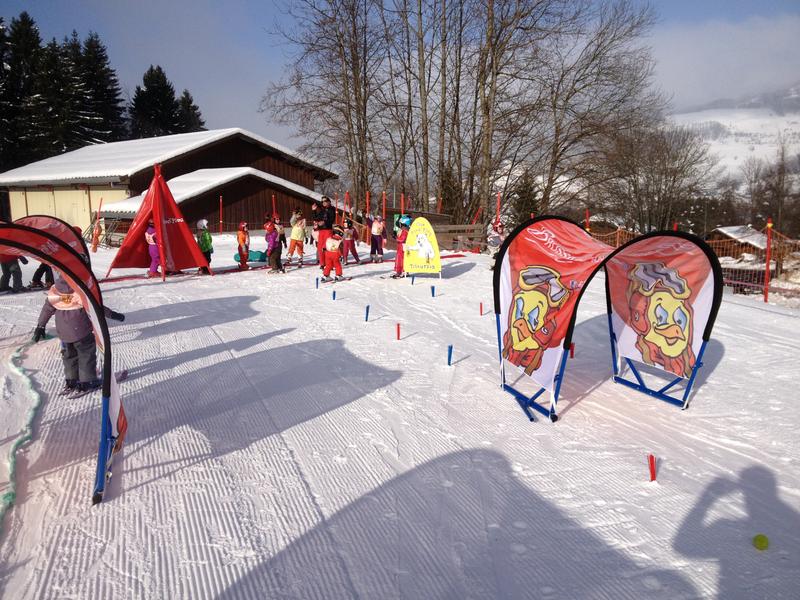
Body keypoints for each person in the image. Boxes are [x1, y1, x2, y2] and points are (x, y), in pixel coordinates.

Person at [32, 276, 125, 397]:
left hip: (63, 333)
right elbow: (96, 307)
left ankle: (72, 381)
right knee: (85, 355)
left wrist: (41, 326)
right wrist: (113, 315)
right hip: (81, 331)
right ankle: (87, 381)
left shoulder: (55, 291)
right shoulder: (80, 292)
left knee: (69, 356)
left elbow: (47, 309)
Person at [314, 196, 336, 268]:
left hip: (328, 230)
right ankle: (322, 263)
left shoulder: (331, 209)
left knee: (327, 247)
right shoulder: (322, 210)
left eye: (325, 201)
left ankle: (330, 263)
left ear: (329, 202)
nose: (324, 202)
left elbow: (332, 220)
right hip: (321, 231)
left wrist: (324, 222)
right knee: (320, 247)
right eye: (322, 201)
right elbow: (316, 218)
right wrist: (314, 211)